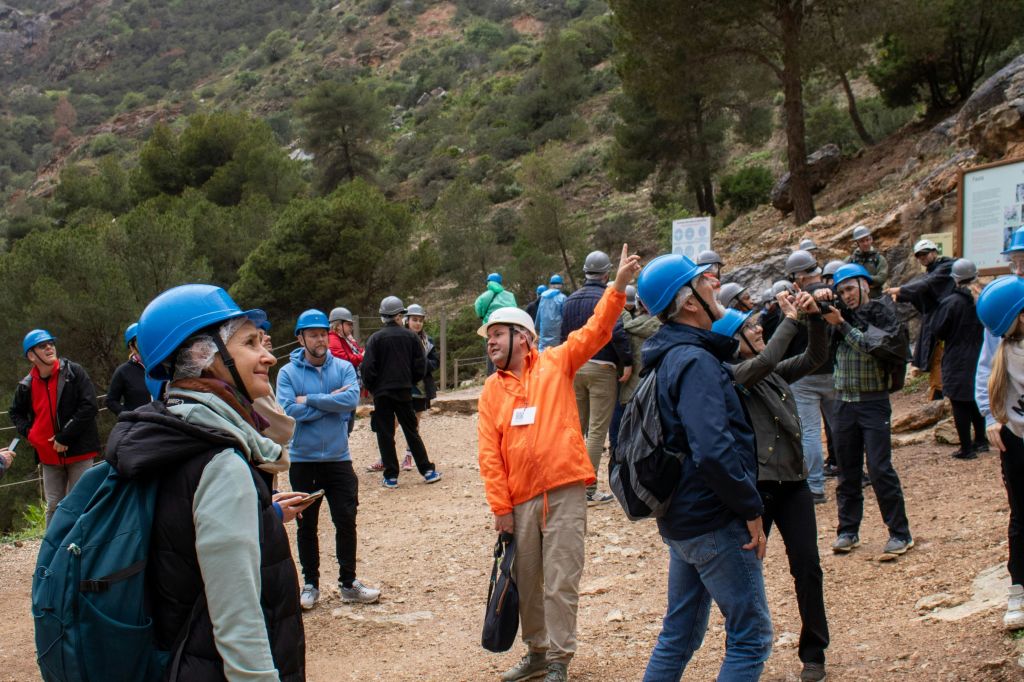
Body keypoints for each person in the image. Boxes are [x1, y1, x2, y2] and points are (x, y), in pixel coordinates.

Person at [116, 283, 310, 680]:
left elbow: (181, 541)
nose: (269, 356)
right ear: (203, 356)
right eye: (251, 343)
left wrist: (260, 516)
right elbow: (238, 626)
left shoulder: (166, 434)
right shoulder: (221, 464)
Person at [478, 245, 641, 682]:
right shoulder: (491, 392)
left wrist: (618, 286)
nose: (490, 342)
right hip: (521, 499)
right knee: (528, 582)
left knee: (561, 579)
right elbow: (489, 455)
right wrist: (500, 509)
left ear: (523, 337)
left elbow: (596, 330)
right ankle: (536, 651)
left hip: (565, 490)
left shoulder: (556, 363)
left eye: (497, 334)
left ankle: (558, 660)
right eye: (489, 336)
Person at [637, 253, 772, 680]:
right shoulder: (695, 362)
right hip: (713, 518)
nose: (715, 285)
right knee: (750, 637)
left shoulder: (669, 356)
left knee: (679, 633)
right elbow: (713, 450)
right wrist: (750, 508)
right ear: (690, 302)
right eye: (706, 281)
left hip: (683, 518)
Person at [714, 293, 833, 682]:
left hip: (794, 485)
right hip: (758, 491)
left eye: (756, 324)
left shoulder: (772, 374)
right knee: (746, 575)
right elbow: (764, 361)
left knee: (808, 567)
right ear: (735, 341)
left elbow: (814, 359)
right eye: (749, 327)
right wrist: (792, 318)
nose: (758, 327)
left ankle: (814, 652)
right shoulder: (736, 376)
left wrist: (813, 320)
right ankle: (744, 651)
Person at [277, 309, 379, 610]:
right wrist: (331, 403)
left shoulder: (345, 367)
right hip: (304, 460)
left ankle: (349, 583)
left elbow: (351, 400)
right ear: (300, 338)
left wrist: (308, 399)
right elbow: (286, 410)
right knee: (306, 525)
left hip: (338, 459)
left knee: (346, 520)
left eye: (323, 333)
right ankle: (310, 584)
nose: (320, 339)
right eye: (313, 334)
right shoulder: (287, 373)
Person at [830, 264, 913, 556]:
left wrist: (842, 324)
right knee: (847, 470)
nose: (846, 295)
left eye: (850, 288)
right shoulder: (836, 315)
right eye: (841, 291)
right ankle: (848, 530)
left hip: (873, 401)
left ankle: (900, 533)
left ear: (865, 285)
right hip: (843, 402)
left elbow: (875, 345)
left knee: (879, 468)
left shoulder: (882, 313)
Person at [560, 250, 633, 505]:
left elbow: (562, 337)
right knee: (597, 431)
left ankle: (566, 484)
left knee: (575, 429)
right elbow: (618, 332)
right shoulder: (607, 297)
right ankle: (588, 490)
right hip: (602, 368)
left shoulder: (569, 300)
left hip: (574, 367)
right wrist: (627, 362)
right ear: (607, 274)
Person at [10, 329, 100, 526]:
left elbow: (89, 406)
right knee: (54, 506)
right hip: (49, 457)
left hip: (80, 452)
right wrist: (31, 434)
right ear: (31, 355)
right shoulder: (26, 385)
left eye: (51, 343)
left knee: (82, 503)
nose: (49, 347)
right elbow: (15, 413)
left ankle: (84, 550)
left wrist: (64, 437)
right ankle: (53, 552)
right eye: (43, 345)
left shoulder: (74, 372)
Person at [976, 275, 1024, 631]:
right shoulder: (1004, 347)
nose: (1002, 337)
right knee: (1020, 517)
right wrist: (991, 417)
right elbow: (984, 376)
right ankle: (1019, 590)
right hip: (1016, 439)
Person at [362, 295, 442, 488]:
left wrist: (374, 388)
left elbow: (367, 369)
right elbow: (421, 365)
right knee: (411, 430)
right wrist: (409, 381)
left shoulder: (375, 339)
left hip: (382, 394)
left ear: (383, 316)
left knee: (385, 433)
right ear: (400, 315)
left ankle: (391, 476)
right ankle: (427, 470)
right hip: (405, 391)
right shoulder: (411, 337)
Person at [783, 250, 837, 504]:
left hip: (805, 374)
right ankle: (852, 474)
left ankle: (815, 485)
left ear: (797, 276)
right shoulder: (835, 290)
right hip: (836, 370)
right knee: (841, 427)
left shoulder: (795, 299)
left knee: (811, 432)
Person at [885, 238, 954, 399]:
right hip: (938, 322)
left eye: (925, 253)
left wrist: (901, 290)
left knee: (942, 356)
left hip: (949, 322)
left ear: (934, 252)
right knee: (936, 357)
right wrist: (902, 296)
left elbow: (926, 286)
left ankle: (944, 393)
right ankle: (938, 392)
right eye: (919, 256)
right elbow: (922, 290)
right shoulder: (931, 272)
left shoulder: (945, 267)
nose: (923, 257)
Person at [932, 259, 987, 460]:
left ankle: (966, 448)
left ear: (955, 280)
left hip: (957, 357)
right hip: (980, 353)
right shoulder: (982, 299)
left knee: (959, 403)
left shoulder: (951, 302)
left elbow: (939, 330)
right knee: (976, 398)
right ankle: (981, 440)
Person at [609, 286, 660, 457]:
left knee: (621, 421)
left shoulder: (628, 329)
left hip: (630, 388)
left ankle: (617, 453)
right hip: (656, 389)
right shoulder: (667, 329)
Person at [404, 303, 439, 470]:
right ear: (407, 320)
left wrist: (421, 365)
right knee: (394, 422)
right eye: (414, 320)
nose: (417, 323)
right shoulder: (400, 338)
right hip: (401, 386)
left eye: (420, 320)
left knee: (415, 423)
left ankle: (409, 456)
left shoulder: (428, 341)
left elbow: (435, 362)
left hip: (420, 389)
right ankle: (385, 456)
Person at [105, 322, 151, 415]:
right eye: (139, 341)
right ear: (131, 346)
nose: (143, 344)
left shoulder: (161, 366)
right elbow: (111, 401)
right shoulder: (123, 371)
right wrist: (129, 416)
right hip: (138, 426)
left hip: (164, 424)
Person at [476, 273, 518, 374]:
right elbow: (515, 310)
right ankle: (509, 373)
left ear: (488, 283)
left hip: (489, 328)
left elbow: (478, 312)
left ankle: (492, 376)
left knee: (492, 353)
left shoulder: (483, 297)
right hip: (507, 328)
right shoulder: (510, 295)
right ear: (500, 282)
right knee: (508, 352)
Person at [845, 225, 888, 297]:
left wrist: (862, 278)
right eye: (862, 241)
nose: (865, 243)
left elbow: (881, 278)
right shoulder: (850, 260)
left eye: (867, 240)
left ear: (871, 239)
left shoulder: (879, 258)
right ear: (857, 243)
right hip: (856, 299)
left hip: (875, 297)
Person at [537, 274, 568, 352]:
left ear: (550, 284)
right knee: (556, 356)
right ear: (561, 285)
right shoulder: (563, 298)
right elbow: (565, 317)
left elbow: (539, 315)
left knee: (543, 355)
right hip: (557, 335)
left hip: (544, 334)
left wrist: (537, 328)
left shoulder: (543, 297)